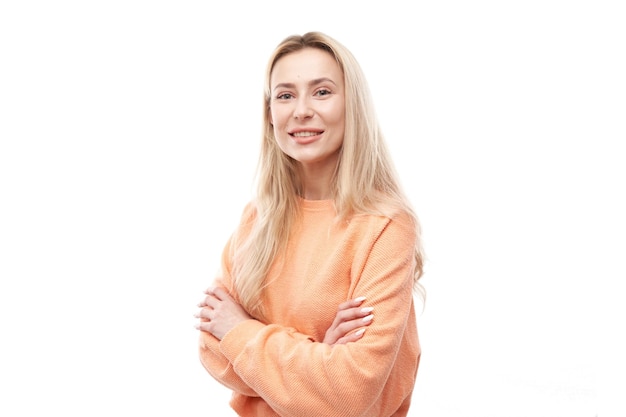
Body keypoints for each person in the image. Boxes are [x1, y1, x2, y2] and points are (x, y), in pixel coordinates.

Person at [195, 31, 425, 417]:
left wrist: (240, 331)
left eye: (321, 92)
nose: (301, 110)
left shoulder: (385, 227)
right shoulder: (258, 219)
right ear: (270, 115)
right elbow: (209, 347)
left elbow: (350, 393)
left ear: (353, 105)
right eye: (285, 95)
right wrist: (320, 356)